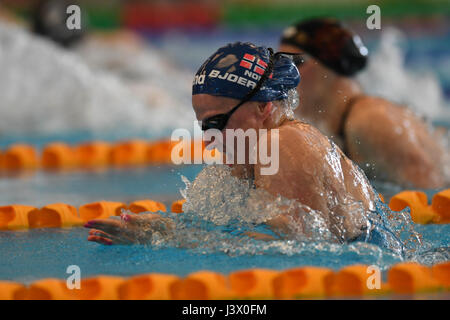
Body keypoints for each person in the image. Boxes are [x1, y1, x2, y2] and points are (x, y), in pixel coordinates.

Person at [85, 42, 380, 246]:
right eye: (203, 126)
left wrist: (166, 236)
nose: (210, 139)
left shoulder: (283, 143)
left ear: (262, 107)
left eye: (217, 122)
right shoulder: (254, 152)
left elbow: (295, 249)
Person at [279, 18, 449, 189]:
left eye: (297, 63)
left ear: (332, 67)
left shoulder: (371, 120)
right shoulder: (330, 126)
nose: (284, 73)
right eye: (280, 63)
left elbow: (433, 200)